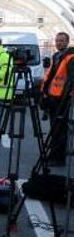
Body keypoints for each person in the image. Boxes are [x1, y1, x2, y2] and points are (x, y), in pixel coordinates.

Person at [41, 32, 73, 166]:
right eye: (57, 40)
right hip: (53, 98)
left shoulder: (70, 57)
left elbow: (72, 79)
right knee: (55, 129)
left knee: (60, 129)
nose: (59, 43)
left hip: (63, 99)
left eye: (62, 41)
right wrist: (44, 92)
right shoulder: (57, 56)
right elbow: (52, 76)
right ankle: (53, 154)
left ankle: (58, 158)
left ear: (67, 42)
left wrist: (68, 96)